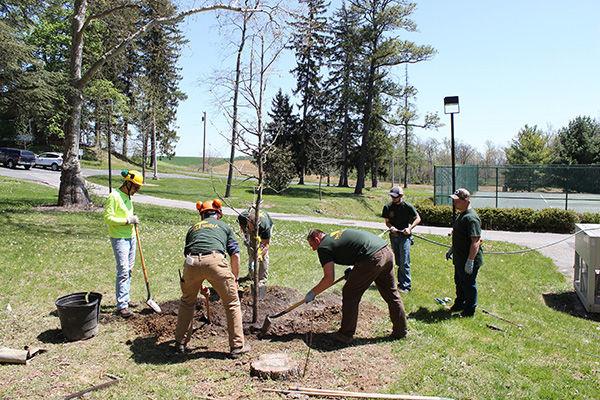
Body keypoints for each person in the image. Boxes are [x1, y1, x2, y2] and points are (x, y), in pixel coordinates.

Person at [174, 198, 250, 358]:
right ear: (218, 213)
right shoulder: (224, 226)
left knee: (187, 302)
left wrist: (199, 285)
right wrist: (234, 279)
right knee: (232, 303)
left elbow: (190, 256)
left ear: (201, 215)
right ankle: (237, 347)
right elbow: (235, 254)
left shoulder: (193, 228)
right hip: (215, 261)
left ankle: (179, 343)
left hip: (191, 263)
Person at [305, 228, 408, 344]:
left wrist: (313, 293)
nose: (313, 249)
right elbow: (355, 247)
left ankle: (345, 334)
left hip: (372, 257)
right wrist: (354, 268)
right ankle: (401, 331)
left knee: (350, 293)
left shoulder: (323, 247)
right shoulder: (334, 235)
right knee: (391, 293)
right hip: (386, 252)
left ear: (317, 239)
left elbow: (329, 279)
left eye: (312, 245)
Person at [103, 169, 143, 318]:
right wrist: (127, 221)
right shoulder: (114, 196)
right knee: (123, 270)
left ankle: (126, 299)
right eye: (136, 187)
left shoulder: (128, 196)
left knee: (129, 270)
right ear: (127, 183)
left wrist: (132, 219)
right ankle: (121, 306)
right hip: (119, 238)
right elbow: (108, 218)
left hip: (131, 236)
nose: (137, 191)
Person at [447, 188, 483, 317]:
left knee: (469, 284)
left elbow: (475, 241)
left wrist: (470, 261)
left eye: (457, 201)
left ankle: (469, 310)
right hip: (459, 257)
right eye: (454, 200)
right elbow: (460, 235)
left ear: (466, 200)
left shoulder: (471, 218)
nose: (454, 203)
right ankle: (459, 303)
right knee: (459, 282)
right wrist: (452, 249)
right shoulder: (461, 215)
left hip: (468, 258)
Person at [382, 186, 421, 292]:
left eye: (395, 197)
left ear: (401, 196)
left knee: (405, 261)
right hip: (394, 237)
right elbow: (387, 222)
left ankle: (406, 286)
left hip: (405, 237)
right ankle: (400, 283)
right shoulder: (387, 207)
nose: (393, 199)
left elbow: (418, 218)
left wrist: (409, 228)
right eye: (392, 196)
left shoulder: (407, 206)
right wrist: (391, 227)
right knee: (399, 262)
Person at [237, 208, 273, 286]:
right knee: (251, 250)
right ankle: (251, 275)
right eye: (252, 226)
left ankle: (262, 279)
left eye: (256, 227)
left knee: (264, 256)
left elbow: (266, 244)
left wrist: (260, 254)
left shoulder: (265, 226)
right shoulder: (242, 217)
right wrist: (247, 237)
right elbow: (242, 227)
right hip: (247, 229)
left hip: (263, 232)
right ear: (248, 220)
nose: (254, 229)